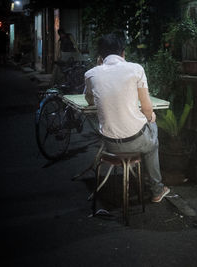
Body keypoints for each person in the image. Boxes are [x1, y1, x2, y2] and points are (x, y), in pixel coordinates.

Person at [84, 33, 170, 203]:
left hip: (109, 145)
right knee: (152, 130)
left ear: (100, 56)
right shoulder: (136, 69)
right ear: (123, 53)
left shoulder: (91, 74)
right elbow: (146, 108)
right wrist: (150, 116)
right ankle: (156, 189)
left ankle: (142, 177)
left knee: (142, 130)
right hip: (135, 141)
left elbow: (89, 100)